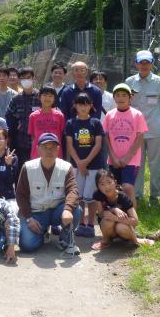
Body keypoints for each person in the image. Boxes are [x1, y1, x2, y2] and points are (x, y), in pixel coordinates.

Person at [16, 133, 82, 255]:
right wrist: (29, 218)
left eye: (53, 147)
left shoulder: (66, 167)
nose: (49, 150)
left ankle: (65, 238)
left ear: (58, 149)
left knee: (76, 209)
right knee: (27, 246)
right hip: (36, 213)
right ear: (38, 149)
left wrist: (67, 209)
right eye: (45, 147)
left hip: (58, 211)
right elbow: (21, 195)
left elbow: (73, 190)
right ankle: (42, 233)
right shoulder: (28, 167)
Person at [126, 50, 160, 204]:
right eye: (141, 62)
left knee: (156, 165)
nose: (144, 65)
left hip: (155, 130)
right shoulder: (129, 82)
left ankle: (155, 195)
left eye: (147, 62)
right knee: (137, 165)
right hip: (135, 133)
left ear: (152, 64)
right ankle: (137, 195)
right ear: (136, 64)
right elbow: (124, 105)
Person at [65, 92, 105, 238]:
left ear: (91, 106)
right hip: (76, 166)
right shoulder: (70, 123)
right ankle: (81, 222)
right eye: (80, 104)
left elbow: (98, 144)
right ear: (75, 106)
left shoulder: (96, 123)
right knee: (80, 196)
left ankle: (90, 224)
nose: (83, 107)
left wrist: (86, 162)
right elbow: (69, 145)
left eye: (86, 104)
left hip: (94, 165)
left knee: (91, 196)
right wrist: (79, 163)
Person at [101, 84, 147, 206]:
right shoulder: (109, 115)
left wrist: (127, 158)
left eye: (124, 95)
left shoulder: (137, 115)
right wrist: (113, 157)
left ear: (130, 98)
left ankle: (133, 219)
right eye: (118, 95)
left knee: (127, 187)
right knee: (114, 188)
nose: (121, 98)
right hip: (113, 159)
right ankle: (117, 216)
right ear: (114, 98)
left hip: (131, 160)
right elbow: (107, 137)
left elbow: (140, 137)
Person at [91, 170, 153, 251]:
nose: (106, 186)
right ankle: (105, 240)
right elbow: (101, 214)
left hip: (124, 228)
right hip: (109, 229)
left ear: (115, 182)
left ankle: (136, 240)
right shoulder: (98, 195)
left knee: (120, 227)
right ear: (97, 186)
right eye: (102, 184)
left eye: (109, 182)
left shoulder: (123, 197)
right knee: (107, 220)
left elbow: (135, 221)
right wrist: (113, 209)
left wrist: (115, 218)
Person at [5, 66, 41, 169]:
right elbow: (9, 115)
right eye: (23, 78)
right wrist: (16, 125)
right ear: (20, 80)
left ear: (33, 78)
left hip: (39, 142)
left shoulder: (41, 97)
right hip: (21, 142)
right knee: (22, 171)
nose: (26, 80)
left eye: (28, 77)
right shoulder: (16, 99)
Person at [28, 84, 65, 160]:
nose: (47, 98)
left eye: (50, 96)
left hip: (55, 154)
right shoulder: (33, 116)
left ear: (54, 99)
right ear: (39, 97)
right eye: (44, 95)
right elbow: (33, 136)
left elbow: (61, 134)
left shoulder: (60, 115)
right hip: (37, 155)